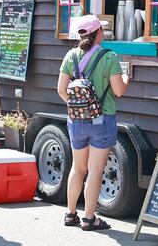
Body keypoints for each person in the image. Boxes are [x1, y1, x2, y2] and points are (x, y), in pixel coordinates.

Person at [57, 15, 129, 231]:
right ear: (98, 33)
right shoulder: (110, 58)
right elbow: (118, 91)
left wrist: (79, 106)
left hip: (77, 121)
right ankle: (89, 218)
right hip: (102, 120)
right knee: (95, 170)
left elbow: (61, 90)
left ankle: (71, 214)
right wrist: (126, 78)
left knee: (77, 168)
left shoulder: (71, 56)